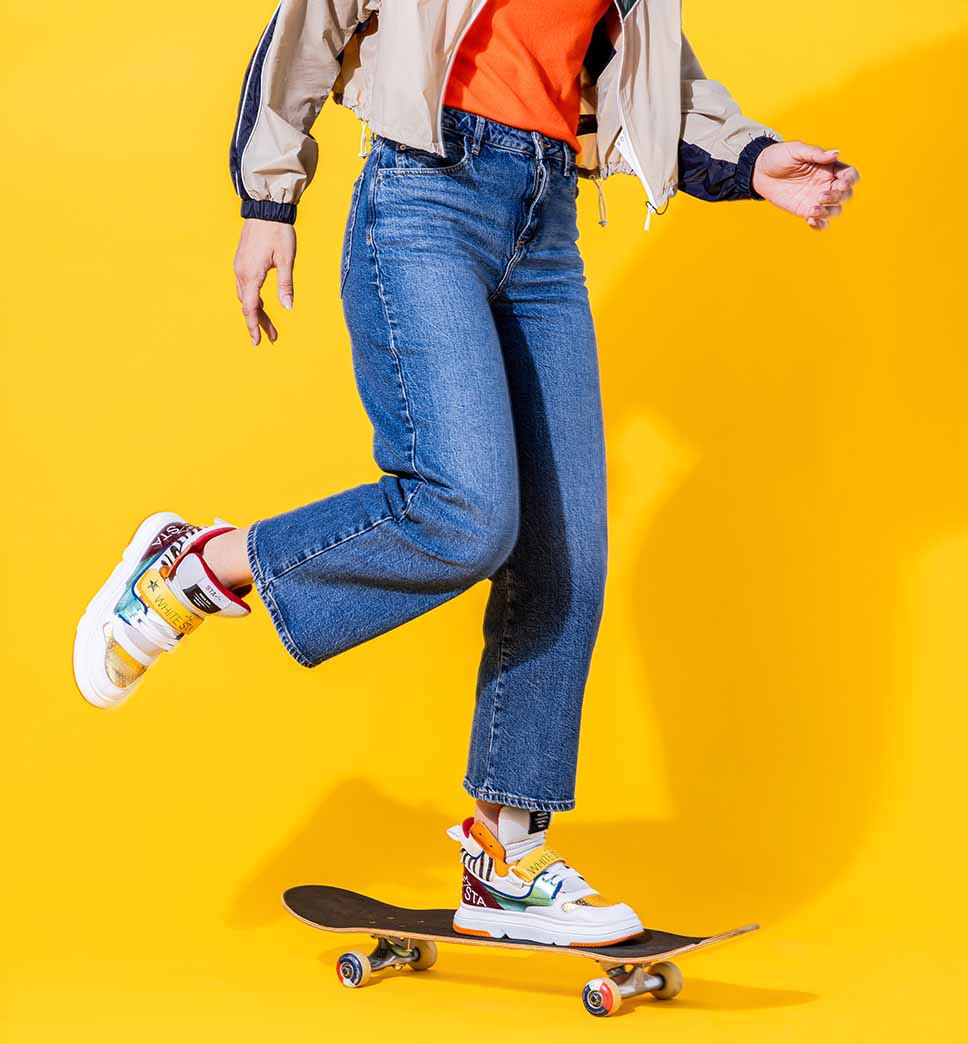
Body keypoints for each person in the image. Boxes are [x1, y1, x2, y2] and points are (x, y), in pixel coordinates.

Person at [74, 0, 859, 948]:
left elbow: (656, 74)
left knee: (565, 559)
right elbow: (311, 22)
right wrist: (267, 200)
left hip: (546, 218)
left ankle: (506, 863)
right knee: (464, 513)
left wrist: (755, 159)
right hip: (424, 196)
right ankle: (200, 566)